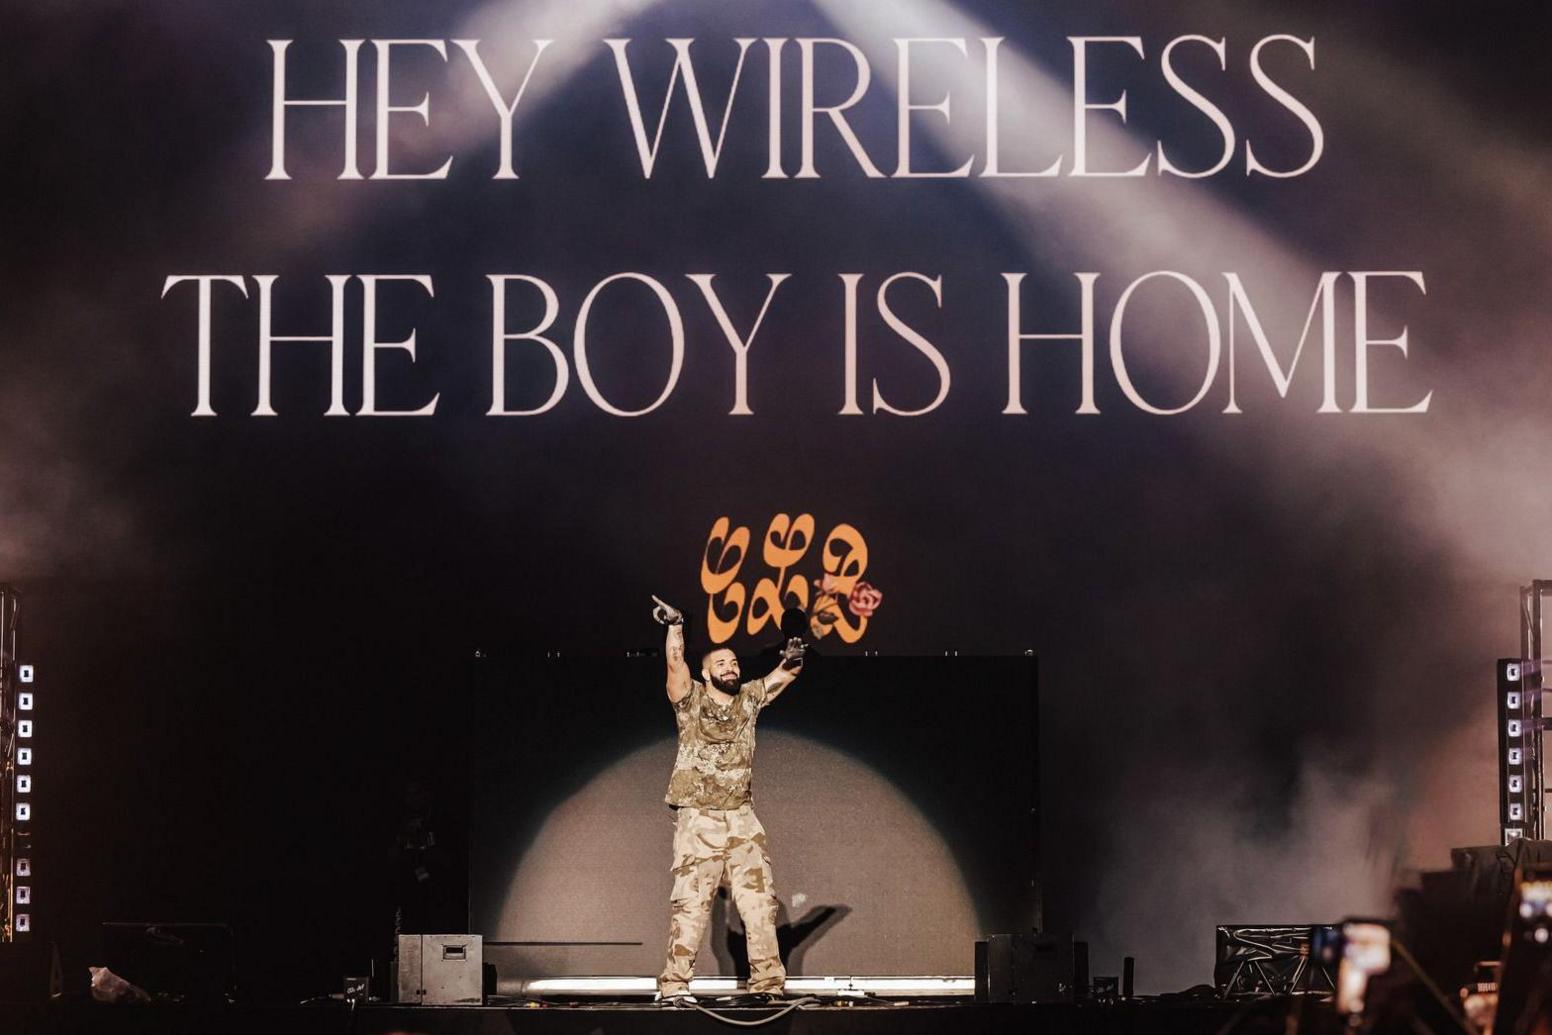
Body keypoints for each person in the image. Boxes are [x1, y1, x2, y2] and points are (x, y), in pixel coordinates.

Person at [650, 594, 805, 1004]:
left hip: (741, 818)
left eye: (734, 662)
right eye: (722, 663)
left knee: (759, 904)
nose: (731, 667)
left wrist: (792, 655)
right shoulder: (690, 699)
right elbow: (675, 664)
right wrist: (676, 626)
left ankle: (768, 985)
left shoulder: (749, 699)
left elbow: (786, 674)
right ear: (705, 673)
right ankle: (674, 988)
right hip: (699, 819)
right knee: (692, 905)